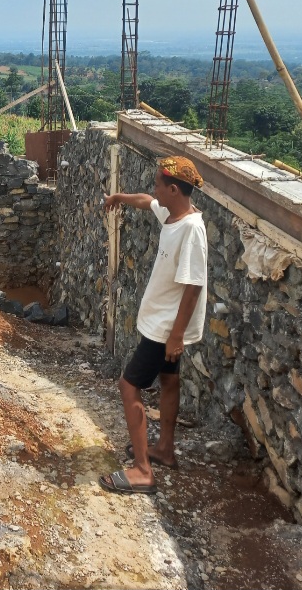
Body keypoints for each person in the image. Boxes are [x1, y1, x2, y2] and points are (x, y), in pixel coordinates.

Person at [98, 155, 207, 496]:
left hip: (164, 330)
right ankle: (165, 450)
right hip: (167, 328)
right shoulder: (174, 215)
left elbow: (194, 285)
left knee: (129, 387)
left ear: (174, 189)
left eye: (159, 184)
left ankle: (143, 471)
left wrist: (175, 335)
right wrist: (120, 198)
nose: (153, 189)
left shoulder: (191, 230)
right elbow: (148, 202)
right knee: (169, 382)